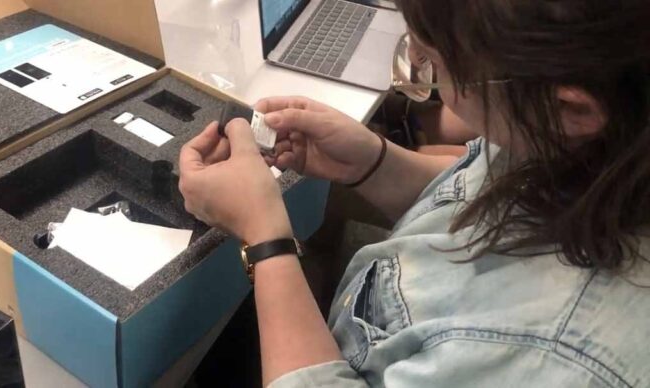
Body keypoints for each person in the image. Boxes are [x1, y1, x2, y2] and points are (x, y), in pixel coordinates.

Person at [179, 0, 650, 386]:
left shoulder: (557, 360)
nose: (423, 66)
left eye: (437, 63)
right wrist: (374, 163)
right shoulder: (578, 137)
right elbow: (483, 191)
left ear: (569, 107)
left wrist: (266, 240)